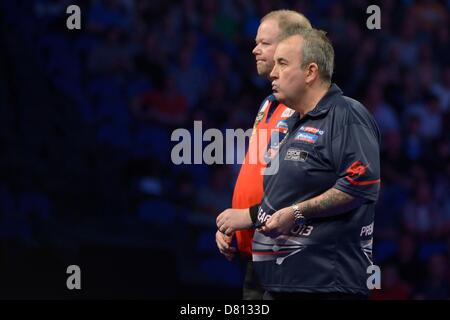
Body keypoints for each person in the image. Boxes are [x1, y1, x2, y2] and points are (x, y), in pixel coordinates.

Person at [217, 26, 381, 299]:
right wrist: (242, 224)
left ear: (310, 72)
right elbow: (277, 201)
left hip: (327, 284)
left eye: (283, 63)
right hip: (279, 282)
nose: (273, 72)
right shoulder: (289, 125)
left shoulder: (347, 115)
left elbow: (360, 184)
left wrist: (296, 213)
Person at [214, 10, 312, 300]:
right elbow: (257, 177)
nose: (254, 49)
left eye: (264, 43)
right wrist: (234, 229)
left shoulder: (308, 105)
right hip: (257, 257)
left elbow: (308, 189)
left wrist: (248, 216)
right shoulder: (269, 102)